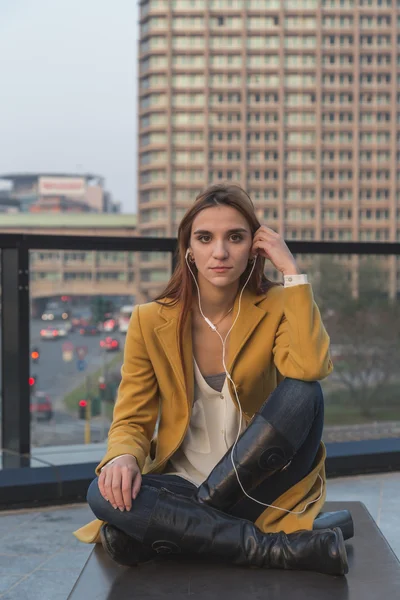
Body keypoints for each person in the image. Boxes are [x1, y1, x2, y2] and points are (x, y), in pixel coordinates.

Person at [74, 184, 351, 576]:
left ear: (253, 246)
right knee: (100, 494)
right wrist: (122, 456)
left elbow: (309, 368)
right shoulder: (150, 320)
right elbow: (133, 418)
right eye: (205, 238)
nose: (219, 252)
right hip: (185, 482)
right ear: (188, 248)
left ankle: (185, 529)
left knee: (304, 392)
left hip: (265, 479)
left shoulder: (275, 304)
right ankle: (274, 548)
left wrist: (291, 272)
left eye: (235, 237)